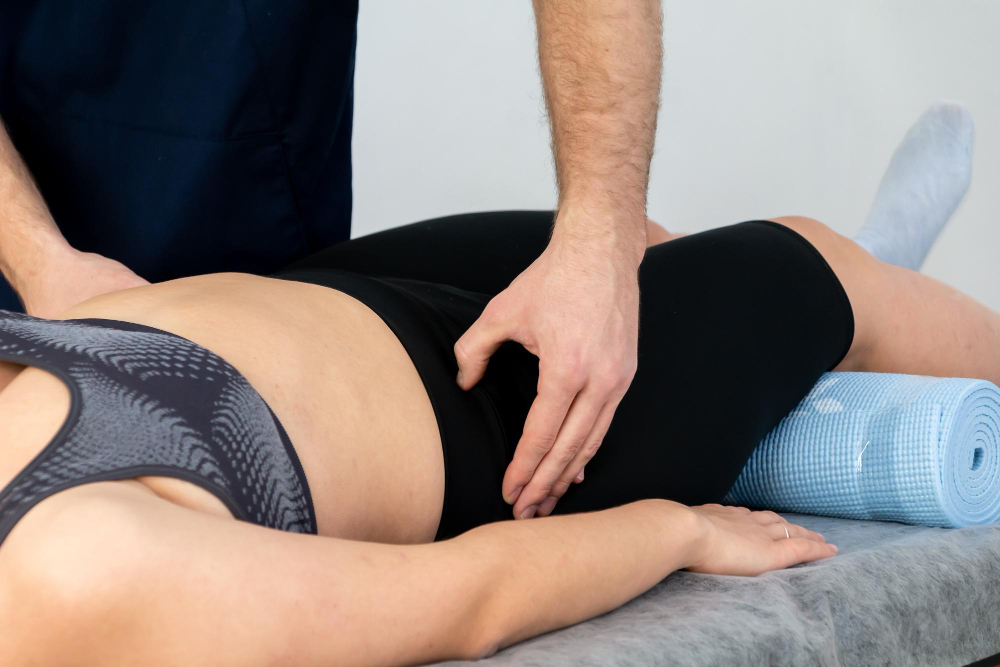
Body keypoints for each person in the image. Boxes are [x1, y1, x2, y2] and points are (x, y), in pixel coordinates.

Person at [0, 104, 993, 663]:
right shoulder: (68, 582)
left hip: (315, 299)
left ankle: (856, 302)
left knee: (634, 251)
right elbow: (472, 598)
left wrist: (49, 267)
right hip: (493, 425)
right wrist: (679, 530)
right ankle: (868, 282)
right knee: (809, 265)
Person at [0, 1, 666, 519]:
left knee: (649, 253)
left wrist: (599, 240)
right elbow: (467, 605)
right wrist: (35, 261)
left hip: (261, 291)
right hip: (298, 389)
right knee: (687, 287)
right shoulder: (84, 560)